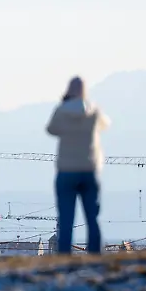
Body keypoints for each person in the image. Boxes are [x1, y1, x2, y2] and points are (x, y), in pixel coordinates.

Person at [46, 76, 110, 254]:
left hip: (66, 170)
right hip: (89, 168)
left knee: (66, 217)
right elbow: (105, 125)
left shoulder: (61, 111)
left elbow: (51, 129)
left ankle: (64, 254)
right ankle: (95, 253)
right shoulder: (94, 111)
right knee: (92, 217)